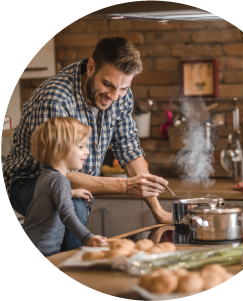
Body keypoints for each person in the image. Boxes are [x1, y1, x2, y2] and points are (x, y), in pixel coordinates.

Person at [3, 37, 172, 251]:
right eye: (107, 84)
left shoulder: (121, 94)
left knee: (75, 208)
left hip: (73, 182)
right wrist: (126, 187)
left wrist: (158, 211)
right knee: (72, 205)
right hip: (29, 181)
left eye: (122, 88)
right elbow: (61, 176)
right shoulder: (56, 99)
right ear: (91, 67)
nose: (113, 95)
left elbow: (129, 148)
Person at [23, 117, 107, 257]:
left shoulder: (47, 175)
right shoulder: (60, 180)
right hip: (44, 251)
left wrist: (71, 193)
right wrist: (88, 238)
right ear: (60, 149)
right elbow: (67, 215)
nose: (87, 151)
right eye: (81, 147)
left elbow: (48, 197)